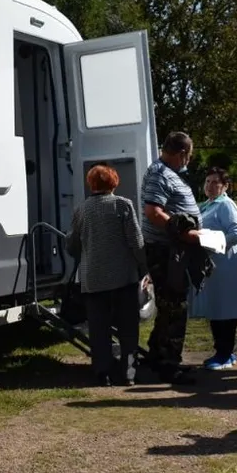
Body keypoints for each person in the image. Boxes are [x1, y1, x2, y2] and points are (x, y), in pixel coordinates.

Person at [65, 165, 145, 386]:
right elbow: (136, 243)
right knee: (128, 329)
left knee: (99, 331)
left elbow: (72, 245)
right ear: (114, 183)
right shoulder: (123, 205)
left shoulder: (82, 210)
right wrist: (144, 267)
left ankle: (103, 373)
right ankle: (128, 373)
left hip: (93, 281)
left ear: (91, 184)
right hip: (123, 278)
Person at [140, 131, 202, 385]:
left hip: (172, 249)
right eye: (188, 156)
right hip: (165, 250)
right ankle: (168, 364)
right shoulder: (160, 173)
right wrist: (183, 233)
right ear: (182, 154)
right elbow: (154, 212)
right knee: (175, 306)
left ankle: (157, 355)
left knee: (169, 305)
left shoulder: (168, 172)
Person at [189, 167, 237, 370]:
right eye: (208, 181)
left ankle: (224, 354)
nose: (210, 186)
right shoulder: (206, 205)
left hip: (226, 263)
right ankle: (223, 352)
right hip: (212, 265)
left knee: (225, 309)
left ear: (225, 186)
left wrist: (212, 242)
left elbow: (236, 233)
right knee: (215, 308)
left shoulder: (226, 205)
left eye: (215, 182)